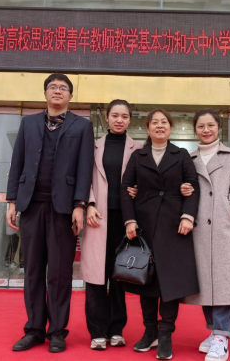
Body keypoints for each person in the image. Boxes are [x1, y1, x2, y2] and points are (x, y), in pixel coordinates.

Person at [6, 73, 94, 353]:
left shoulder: (82, 126)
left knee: (59, 271)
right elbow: (17, 162)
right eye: (52, 87)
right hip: (31, 205)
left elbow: (85, 167)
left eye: (63, 88)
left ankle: (57, 331)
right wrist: (12, 201)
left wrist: (80, 205)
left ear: (70, 96)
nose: (57, 91)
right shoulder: (28, 123)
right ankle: (34, 329)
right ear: (45, 93)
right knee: (32, 270)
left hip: (63, 208)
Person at [120, 108, 200, 360]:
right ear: (147, 128)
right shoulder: (138, 155)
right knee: (145, 280)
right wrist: (130, 220)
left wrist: (188, 216)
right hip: (144, 225)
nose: (159, 126)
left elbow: (193, 186)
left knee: (169, 282)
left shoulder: (181, 154)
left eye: (164, 122)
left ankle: (165, 334)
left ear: (170, 127)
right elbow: (125, 188)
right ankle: (150, 331)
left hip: (174, 226)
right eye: (154, 122)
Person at [181, 109, 230, 361]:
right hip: (198, 228)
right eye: (201, 126)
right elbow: (182, 187)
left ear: (219, 128)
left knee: (224, 282)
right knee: (205, 283)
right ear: (195, 130)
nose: (206, 130)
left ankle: (221, 336)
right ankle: (214, 331)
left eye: (211, 125)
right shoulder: (188, 158)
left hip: (223, 228)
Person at [81, 100, 143, 350]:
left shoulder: (139, 148)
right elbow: (84, 177)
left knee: (119, 276)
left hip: (126, 219)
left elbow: (146, 182)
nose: (119, 120)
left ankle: (116, 329)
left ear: (130, 120)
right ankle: (97, 331)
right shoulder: (93, 147)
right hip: (98, 217)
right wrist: (89, 204)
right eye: (115, 115)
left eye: (124, 116)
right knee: (96, 276)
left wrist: (139, 191)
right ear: (106, 118)